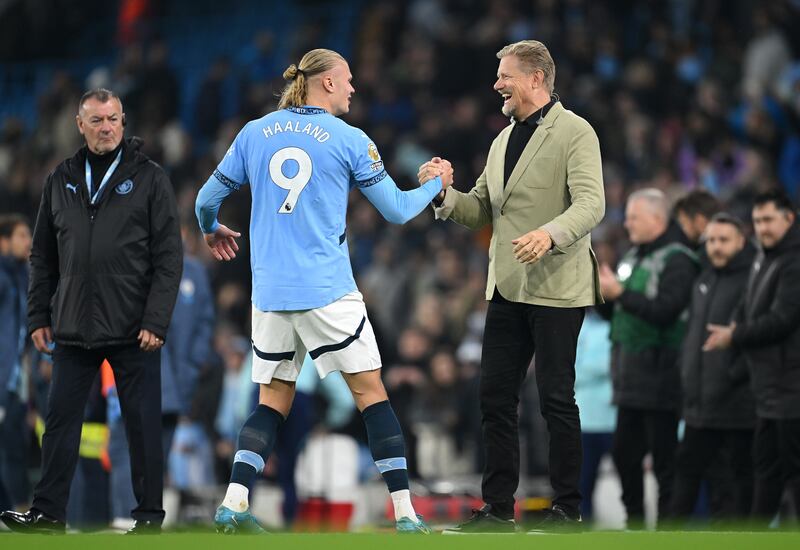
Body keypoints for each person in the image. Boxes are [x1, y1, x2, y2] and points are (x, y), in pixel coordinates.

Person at [194, 48, 453, 535]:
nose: (354, 88)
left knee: (271, 401)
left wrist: (211, 229)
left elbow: (206, 199)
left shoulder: (254, 133)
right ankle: (406, 515)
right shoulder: (349, 139)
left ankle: (233, 502)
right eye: (348, 80)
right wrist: (435, 186)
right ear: (328, 83)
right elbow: (396, 210)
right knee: (372, 394)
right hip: (327, 290)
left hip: (269, 293)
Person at [420, 39, 605, 532]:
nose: (496, 83)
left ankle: (568, 508)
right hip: (505, 287)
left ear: (535, 79)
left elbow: (592, 204)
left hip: (557, 287)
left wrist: (550, 233)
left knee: (555, 398)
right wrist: (443, 193)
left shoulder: (576, 131)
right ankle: (498, 509)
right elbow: (480, 208)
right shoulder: (502, 139)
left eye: (504, 75)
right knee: (494, 398)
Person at [0, 89, 183, 535]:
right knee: (60, 422)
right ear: (79, 126)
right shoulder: (60, 178)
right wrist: (38, 317)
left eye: (113, 119)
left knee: (142, 428)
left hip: (133, 326)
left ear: (124, 122)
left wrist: (156, 321)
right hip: (72, 324)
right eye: (97, 120)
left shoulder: (150, 177)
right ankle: (48, 514)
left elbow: (169, 256)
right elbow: (42, 256)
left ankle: (148, 518)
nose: (106, 127)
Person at [598, 188, 700, 528]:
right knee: (625, 456)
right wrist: (605, 296)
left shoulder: (679, 260)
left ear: (658, 219)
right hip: (630, 380)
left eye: (633, 217)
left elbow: (667, 312)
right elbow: (619, 316)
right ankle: (636, 524)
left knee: (665, 462)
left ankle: (669, 532)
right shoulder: (633, 257)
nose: (626, 224)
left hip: (662, 378)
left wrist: (622, 294)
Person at [704, 189, 800, 527]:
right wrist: (736, 327)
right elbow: (748, 306)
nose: (762, 227)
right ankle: (755, 541)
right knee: (767, 474)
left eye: (769, 219)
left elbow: (784, 318)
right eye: (758, 221)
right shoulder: (764, 257)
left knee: (791, 474)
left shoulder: (794, 261)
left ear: (790, 218)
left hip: (791, 389)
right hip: (768, 391)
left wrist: (735, 335)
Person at [670, 213, 756, 524]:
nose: (716, 247)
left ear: (741, 242)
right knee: (686, 475)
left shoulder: (752, 280)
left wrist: (732, 376)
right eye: (712, 241)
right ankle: (666, 541)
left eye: (724, 240)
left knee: (733, 483)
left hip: (737, 405)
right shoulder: (704, 278)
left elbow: (756, 339)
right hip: (699, 404)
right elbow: (694, 333)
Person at [0, 214, 33, 512]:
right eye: (22, 236)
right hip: (3, 378)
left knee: (14, 447)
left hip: (17, 381)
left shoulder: (26, 276)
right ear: (4, 242)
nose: (29, 242)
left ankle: (16, 511)